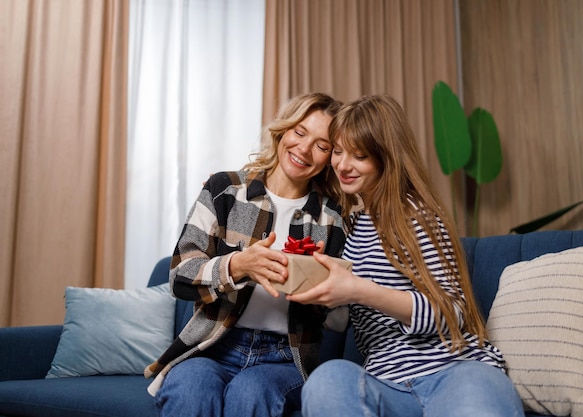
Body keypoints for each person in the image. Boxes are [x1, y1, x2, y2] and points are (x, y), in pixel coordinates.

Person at [288, 94, 524, 417]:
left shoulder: (418, 216)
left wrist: (359, 289)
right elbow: (342, 319)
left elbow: (449, 311)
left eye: (359, 155)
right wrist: (313, 284)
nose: (343, 165)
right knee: (326, 381)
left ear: (386, 158)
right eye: (338, 151)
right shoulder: (352, 229)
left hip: (454, 373)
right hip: (385, 384)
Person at [145, 92, 347, 417]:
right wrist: (237, 265)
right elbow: (180, 277)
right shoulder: (223, 190)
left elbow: (339, 319)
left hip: (284, 357)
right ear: (282, 131)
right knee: (190, 389)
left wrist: (316, 290)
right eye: (299, 132)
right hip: (212, 346)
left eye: (322, 146)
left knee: (250, 392)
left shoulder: (332, 218)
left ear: (331, 158)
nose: (305, 149)